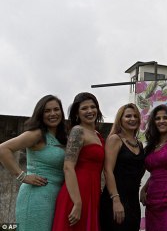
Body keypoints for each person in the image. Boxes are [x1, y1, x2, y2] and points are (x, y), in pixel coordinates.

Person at [0, 95, 67, 231]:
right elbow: (3, 149)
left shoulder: (62, 138)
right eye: (47, 111)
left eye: (56, 109)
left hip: (55, 199)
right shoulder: (36, 134)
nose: (53, 114)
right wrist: (22, 176)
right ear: (40, 114)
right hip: (36, 199)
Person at [52, 92, 105, 231]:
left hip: (92, 193)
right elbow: (68, 167)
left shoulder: (98, 135)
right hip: (77, 193)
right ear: (77, 113)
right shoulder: (78, 131)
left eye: (93, 107)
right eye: (84, 108)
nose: (89, 111)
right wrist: (77, 202)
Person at [99, 103, 145, 231]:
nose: (132, 119)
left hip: (133, 201)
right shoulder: (115, 139)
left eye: (135, 116)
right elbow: (108, 170)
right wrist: (116, 200)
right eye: (128, 116)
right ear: (120, 119)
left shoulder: (139, 144)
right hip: (115, 199)